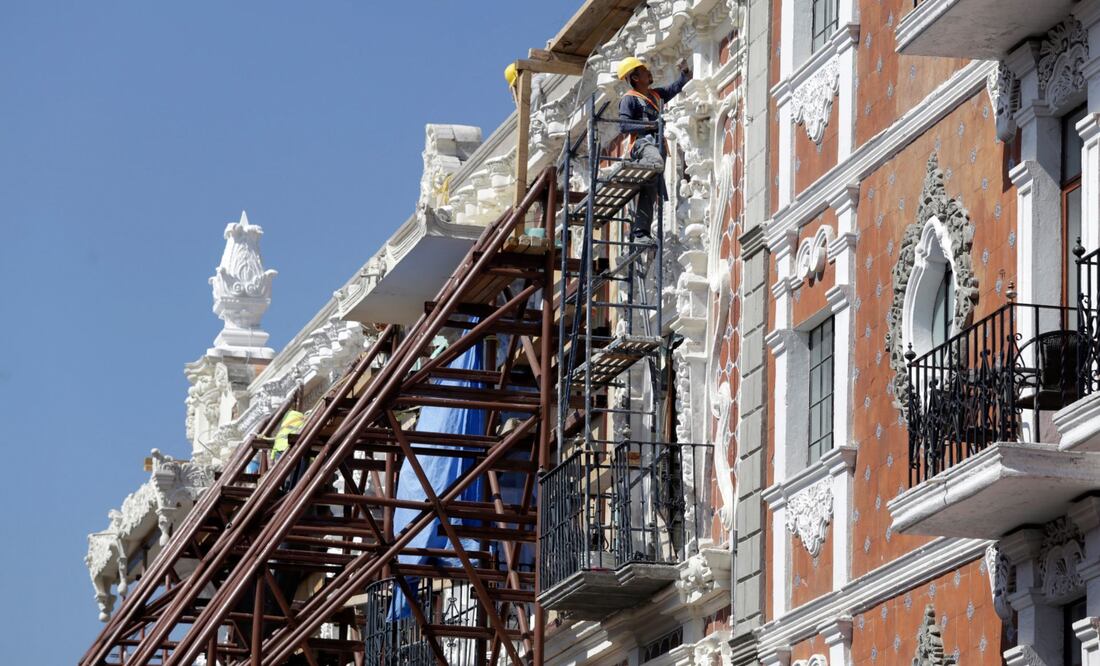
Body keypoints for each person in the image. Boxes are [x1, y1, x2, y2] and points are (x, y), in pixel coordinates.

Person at [617, 56, 692, 241]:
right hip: (643, 145)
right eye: (643, 71)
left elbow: (676, 87)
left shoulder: (656, 95)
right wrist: (651, 126)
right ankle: (640, 231)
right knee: (655, 164)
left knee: (649, 192)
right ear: (635, 78)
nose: (648, 72)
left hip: (659, 146)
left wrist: (684, 72)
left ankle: (641, 233)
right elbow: (624, 126)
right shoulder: (630, 99)